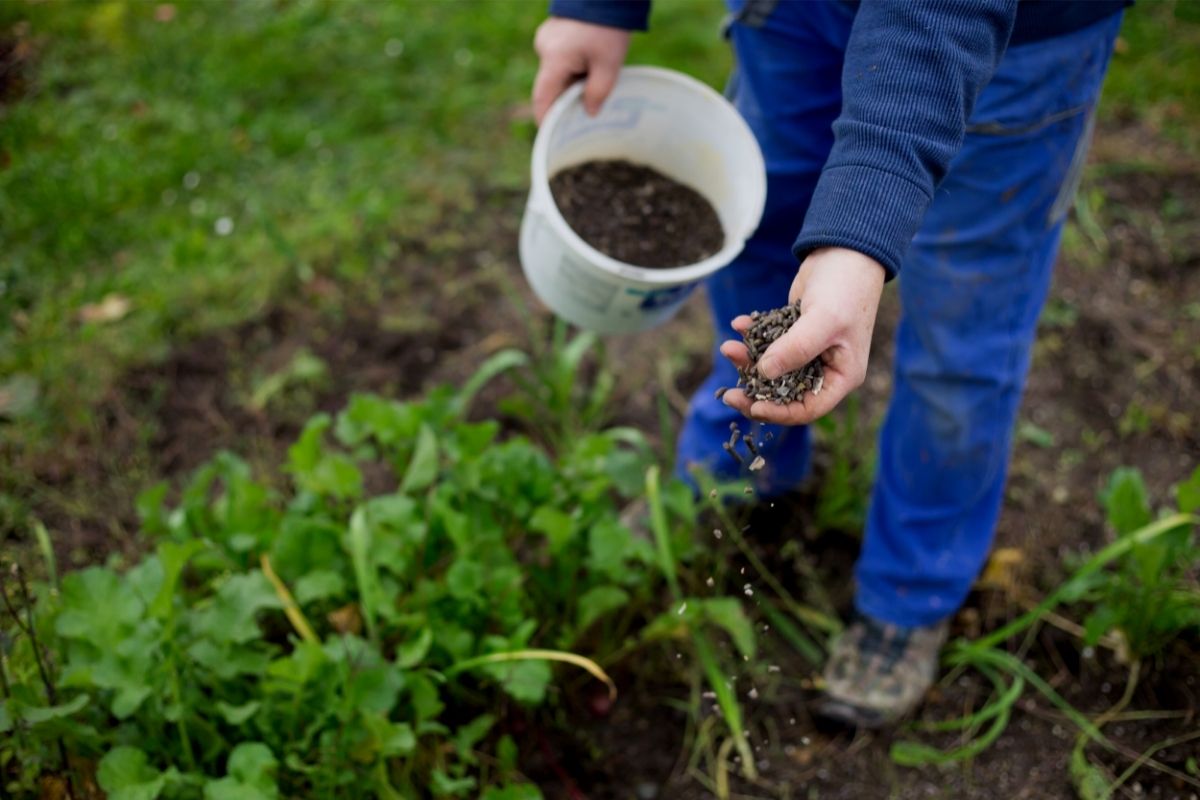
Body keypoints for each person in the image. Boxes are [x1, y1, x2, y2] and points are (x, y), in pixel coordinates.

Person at [530, 0, 1128, 727]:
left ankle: (910, 592)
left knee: (963, 335)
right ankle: (746, 467)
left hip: (1005, 39)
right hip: (795, 12)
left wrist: (859, 230)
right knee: (758, 226)